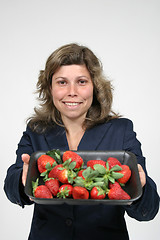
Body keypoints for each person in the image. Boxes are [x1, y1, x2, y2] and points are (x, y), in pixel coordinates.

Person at [4, 43, 159, 240]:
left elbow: (149, 210)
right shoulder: (36, 130)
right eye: (62, 82)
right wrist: (21, 180)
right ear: (49, 88)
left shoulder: (121, 130)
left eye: (82, 82)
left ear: (95, 86)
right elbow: (11, 187)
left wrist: (141, 188)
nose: (72, 91)